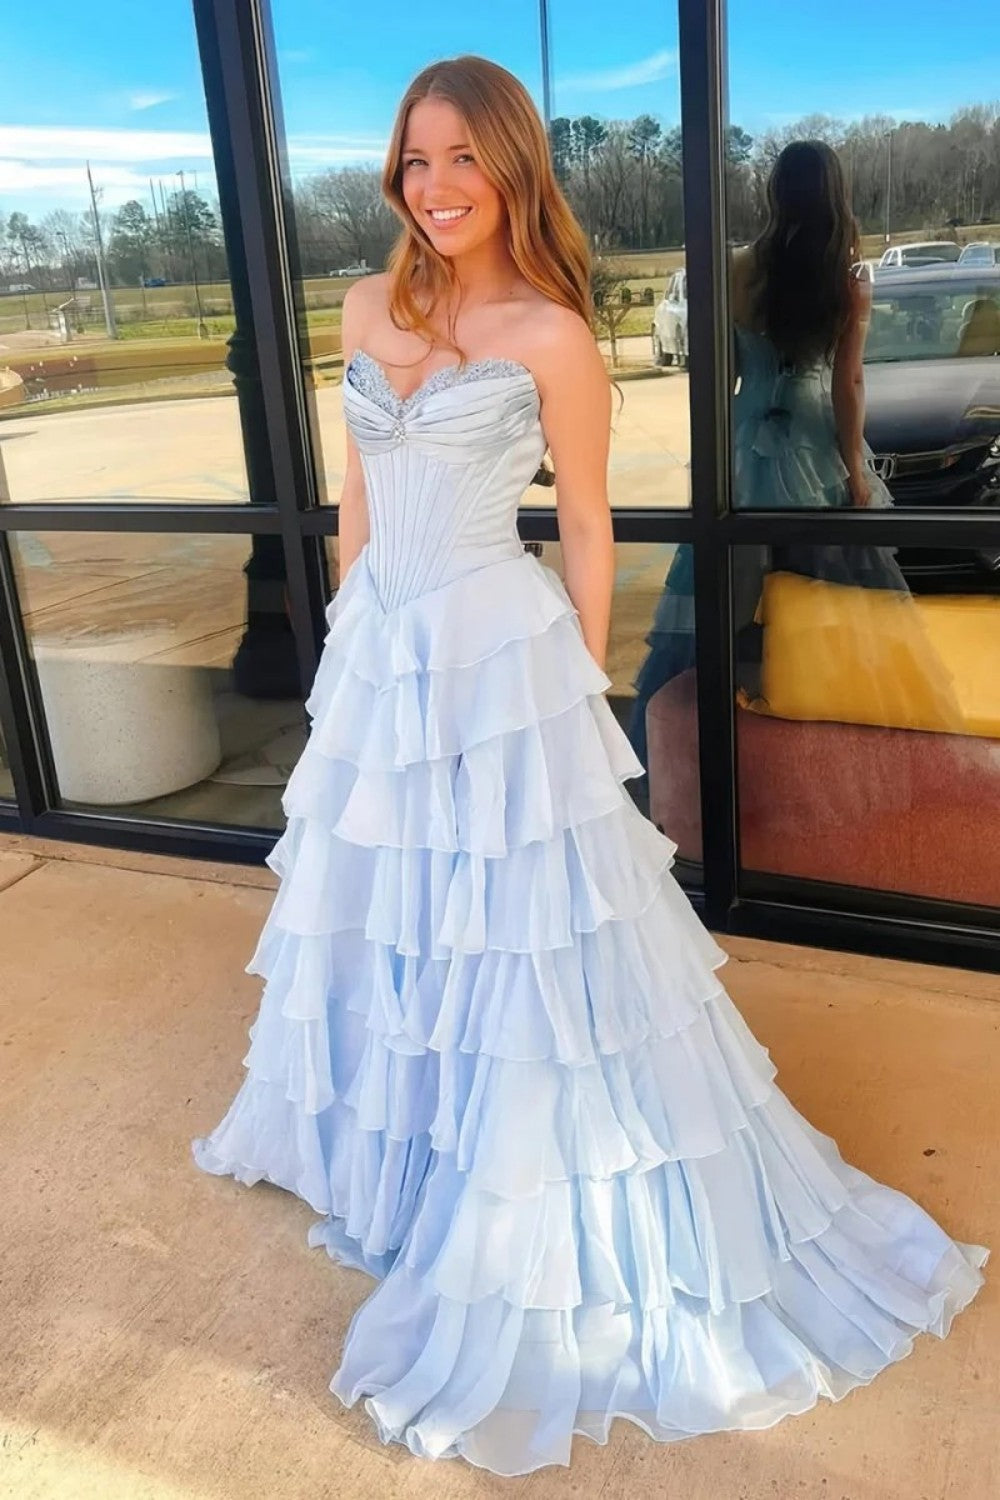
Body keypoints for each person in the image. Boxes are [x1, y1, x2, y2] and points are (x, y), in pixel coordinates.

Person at [191, 67, 987, 1475]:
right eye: (414, 160)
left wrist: (567, 686)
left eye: (463, 159)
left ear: (511, 169)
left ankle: (517, 1169)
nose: (435, 186)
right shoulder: (366, 308)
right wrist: (349, 650)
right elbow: (357, 495)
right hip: (384, 652)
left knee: (526, 929)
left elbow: (590, 526)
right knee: (391, 901)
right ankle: (409, 1141)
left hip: (499, 650)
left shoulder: (552, 334)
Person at [630, 140, 909, 765]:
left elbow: (721, 374)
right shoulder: (847, 283)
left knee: (725, 602)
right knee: (832, 597)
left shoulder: (734, 270)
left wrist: (722, 448)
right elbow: (847, 384)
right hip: (813, 445)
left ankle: (705, 752)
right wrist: (855, 471)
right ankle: (826, 745)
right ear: (835, 197)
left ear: (775, 193)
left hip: (745, 440)